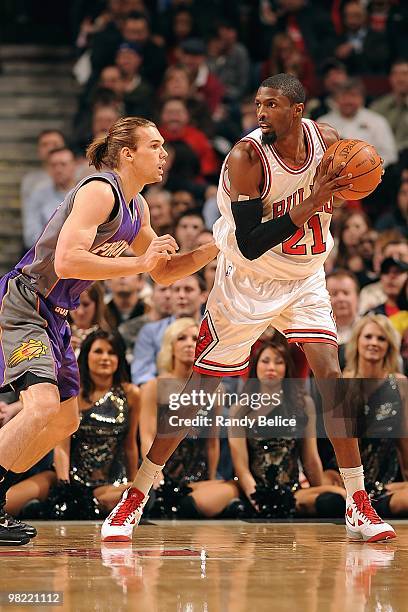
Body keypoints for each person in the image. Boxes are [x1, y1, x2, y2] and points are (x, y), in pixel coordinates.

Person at [102, 74, 396, 543]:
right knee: (200, 393)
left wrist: (354, 185)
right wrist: (314, 200)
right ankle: (134, 497)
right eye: (258, 104)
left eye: (271, 105)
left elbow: (358, 184)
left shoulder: (332, 143)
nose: (260, 113)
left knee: (331, 376)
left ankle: (358, 502)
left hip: (304, 277)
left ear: (297, 110)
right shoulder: (246, 156)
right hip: (247, 278)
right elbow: (252, 242)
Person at [0, 116, 218, 546]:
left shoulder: (137, 207)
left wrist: (217, 248)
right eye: (154, 146)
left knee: (64, 422)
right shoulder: (100, 190)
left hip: (57, 316)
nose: (163, 154)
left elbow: (165, 273)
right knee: (41, 406)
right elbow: (66, 261)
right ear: (126, 154)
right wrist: (140, 262)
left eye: (163, 146)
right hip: (26, 303)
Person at [5, 330, 140, 519]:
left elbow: (130, 444)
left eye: (112, 353)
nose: (105, 358)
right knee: (8, 500)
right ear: (86, 356)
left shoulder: (131, 393)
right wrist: (64, 487)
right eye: (98, 351)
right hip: (66, 477)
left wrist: (135, 482)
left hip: (110, 482)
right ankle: (42, 506)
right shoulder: (72, 392)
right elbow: (62, 445)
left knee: (137, 497)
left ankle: (45, 509)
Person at [226, 339, 346, 518]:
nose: (271, 367)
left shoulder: (304, 404)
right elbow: (241, 468)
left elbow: (310, 458)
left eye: (279, 362)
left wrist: (319, 490)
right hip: (254, 491)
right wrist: (258, 500)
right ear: (255, 367)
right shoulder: (240, 409)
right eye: (265, 361)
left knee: (337, 499)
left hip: (292, 493)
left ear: (287, 368)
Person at [324, 314, 408, 519]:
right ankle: (355, 504)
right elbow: (332, 443)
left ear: (390, 345)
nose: (374, 343)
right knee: (329, 500)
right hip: (344, 482)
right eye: (368, 336)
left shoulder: (400, 384)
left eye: (381, 338)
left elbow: (404, 442)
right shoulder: (343, 382)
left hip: (386, 485)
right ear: (357, 341)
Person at [139, 318, 224, 519]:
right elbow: (147, 436)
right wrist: (154, 475)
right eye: (181, 338)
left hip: (198, 477)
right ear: (171, 346)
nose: (189, 343)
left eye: (195, 338)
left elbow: (212, 442)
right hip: (162, 473)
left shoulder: (216, 390)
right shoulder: (153, 386)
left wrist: (211, 480)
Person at [23, 147, 77, 249]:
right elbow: (30, 236)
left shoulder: (84, 192)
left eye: (63, 164)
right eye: (53, 165)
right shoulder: (38, 195)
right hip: (45, 255)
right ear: (48, 168)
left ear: (74, 166)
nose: (58, 169)